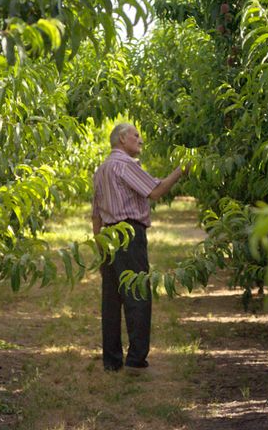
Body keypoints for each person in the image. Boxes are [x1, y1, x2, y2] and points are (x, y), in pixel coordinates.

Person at [91, 123, 186, 372]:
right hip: (129, 234)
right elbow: (156, 191)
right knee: (138, 294)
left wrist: (99, 244)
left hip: (108, 236)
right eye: (136, 135)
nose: (140, 140)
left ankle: (111, 361)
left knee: (111, 300)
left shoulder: (100, 170)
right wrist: (181, 170)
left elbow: (96, 216)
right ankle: (135, 359)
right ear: (122, 139)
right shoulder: (125, 166)